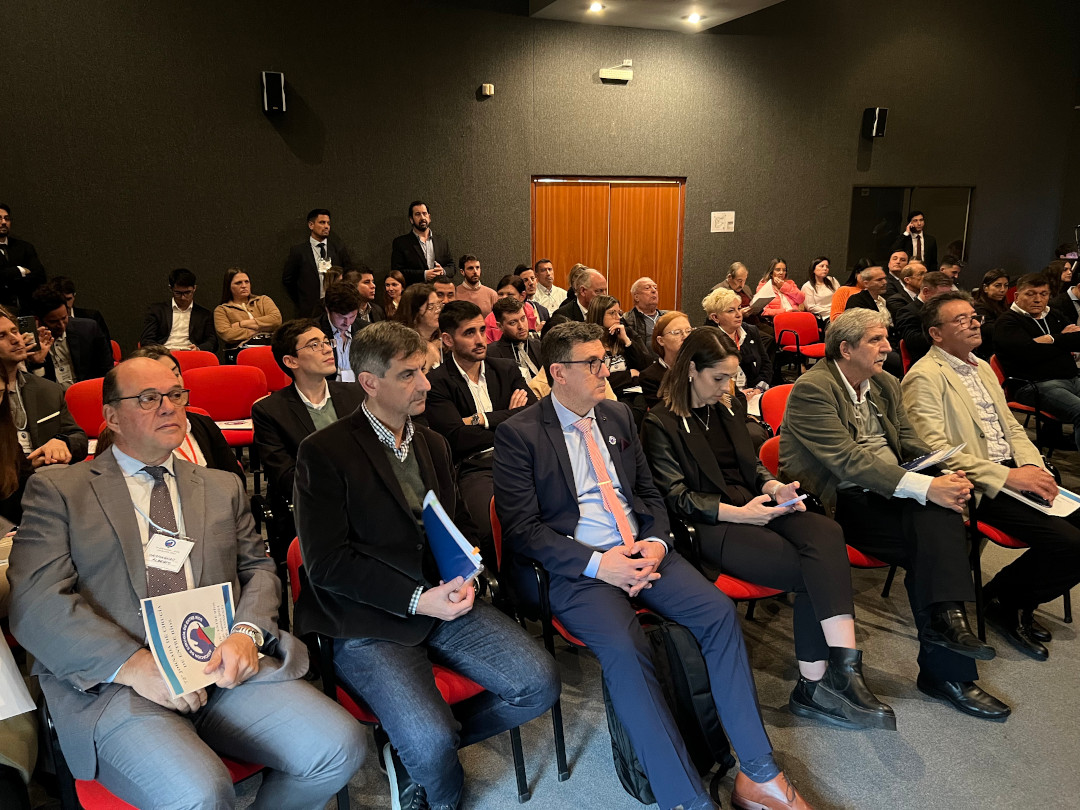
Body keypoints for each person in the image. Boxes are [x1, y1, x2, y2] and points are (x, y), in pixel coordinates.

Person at [8, 357, 365, 808]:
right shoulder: (60, 490)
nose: (168, 407)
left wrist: (246, 633)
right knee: (201, 793)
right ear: (111, 417)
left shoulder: (222, 486)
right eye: (148, 398)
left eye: (175, 395)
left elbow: (258, 569)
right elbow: (34, 601)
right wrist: (133, 665)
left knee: (340, 747)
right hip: (116, 682)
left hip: (218, 664)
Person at [493, 321, 815, 810]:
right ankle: (684, 798)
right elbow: (523, 530)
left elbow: (648, 494)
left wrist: (658, 544)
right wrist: (600, 565)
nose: (606, 370)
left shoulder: (618, 415)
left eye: (605, 360)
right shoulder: (519, 434)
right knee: (627, 648)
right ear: (558, 372)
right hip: (580, 571)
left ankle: (758, 773)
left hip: (643, 551)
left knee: (719, 615)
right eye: (593, 363)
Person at [292, 321, 559, 810]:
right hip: (369, 616)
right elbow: (327, 565)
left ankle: (412, 753)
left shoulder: (433, 443)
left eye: (425, 370)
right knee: (432, 744)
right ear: (370, 382)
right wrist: (417, 599)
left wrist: (469, 573)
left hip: (443, 597)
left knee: (540, 685)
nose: (426, 385)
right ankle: (431, 769)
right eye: (409, 374)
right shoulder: (324, 452)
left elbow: (459, 526)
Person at [641, 328, 894, 731]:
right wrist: (740, 514)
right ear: (691, 370)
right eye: (718, 378)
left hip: (753, 503)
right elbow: (675, 496)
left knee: (827, 534)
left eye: (731, 377)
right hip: (712, 521)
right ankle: (816, 684)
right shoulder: (660, 421)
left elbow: (752, 465)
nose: (726, 387)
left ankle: (844, 669)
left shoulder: (728, 406)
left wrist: (775, 487)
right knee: (811, 569)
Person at [779, 309, 1008, 720]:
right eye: (876, 340)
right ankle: (947, 668)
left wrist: (942, 471)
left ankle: (947, 628)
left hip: (889, 493)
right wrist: (926, 487)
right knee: (935, 537)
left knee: (938, 522)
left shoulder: (884, 383)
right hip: (837, 503)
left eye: (885, 338)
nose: (888, 347)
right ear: (845, 349)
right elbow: (847, 462)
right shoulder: (812, 388)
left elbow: (907, 439)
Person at [903, 292, 1080, 660]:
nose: (974, 323)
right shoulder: (924, 376)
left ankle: (1007, 597)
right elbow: (937, 451)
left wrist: (1032, 467)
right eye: (961, 320)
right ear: (936, 333)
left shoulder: (982, 366)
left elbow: (1012, 427)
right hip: (979, 484)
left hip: (1014, 473)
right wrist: (1008, 477)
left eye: (974, 317)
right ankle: (1006, 600)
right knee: (1070, 543)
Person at [426, 301, 536, 569]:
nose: (480, 340)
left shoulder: (506, 369)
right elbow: (457, 438)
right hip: (475, 466)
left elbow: (534, 416)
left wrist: (483, 419)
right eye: (469, 333)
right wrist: (511, 417)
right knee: (488, 526)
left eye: (481, 330)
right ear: (448, 340)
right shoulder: (437, 382)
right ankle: (498, 583)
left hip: (521, 457)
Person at [253, 319, 364, 556]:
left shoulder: (354, 395)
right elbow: (286, 476)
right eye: (314, 345)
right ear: (291, 361)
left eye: (326, 342)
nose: (327, 349)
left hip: (363, 502)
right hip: (310, 509)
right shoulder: (270, 410)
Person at [95, 345, 242, 481]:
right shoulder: (115, 438)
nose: (168, 407)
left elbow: (233, 479)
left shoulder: (202, 424)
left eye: (175, 374)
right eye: (150, 398)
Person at [994, 273, 1080, 451]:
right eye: (1030, 294)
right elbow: (1028, 353)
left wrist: (1049, 339)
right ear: (1017, 296)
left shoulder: (1053, 314)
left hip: (1072, 379)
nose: (1038, 299)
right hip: (1033, 385)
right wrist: (1063, 340)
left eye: (1043, 294)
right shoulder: (1007, 321)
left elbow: (1078, 339)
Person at [0, 310, 87, 468]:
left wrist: (62, 442)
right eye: (1, 336)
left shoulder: (48, 389)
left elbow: (79, 438)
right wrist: (28, 466)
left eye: (15, 331)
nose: (15, 340)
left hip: (48, 474)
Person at [28, 284, 112, 387]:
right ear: (38, 320)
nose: (61, 325)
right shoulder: (31, 342)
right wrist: (37, 363)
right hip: (52, 394)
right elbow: (34, 385)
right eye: (53, 321)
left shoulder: (88, 329)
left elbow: (107, 369)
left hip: (86, 390)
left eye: (64, 318)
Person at [702, 288, 771, 411]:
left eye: (739, 308)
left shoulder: (751, 331)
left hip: (754, 396)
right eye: (731, 311)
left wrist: (759, 389)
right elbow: (708, 380)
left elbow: (766, 364)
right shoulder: (708, 339)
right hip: (723, 402)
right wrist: (738, 396)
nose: (739, 314)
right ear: (715, 317)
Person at [282, 208, 352, 317]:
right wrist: (302, 298)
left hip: (335, 308)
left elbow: (348, 274)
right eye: (322, 222)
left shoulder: (338, 249)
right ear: (311, 225)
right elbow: (288, 279)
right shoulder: (299, 251)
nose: (326, 226)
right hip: (309, 309)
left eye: (328, 223)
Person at [586, 295, 649, 400]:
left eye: (619, 313)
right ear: (599, 315)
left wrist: (627, 341)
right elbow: (594, 380)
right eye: (612, 313)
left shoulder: (625, 333)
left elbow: (645, 367)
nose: (618, 317)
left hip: (633, 392)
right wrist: (628, 374)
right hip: (606, 397)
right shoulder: (588, 342)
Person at [140, 268, 217, 353]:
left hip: (191, 354)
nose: (183, 297)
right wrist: (164, 351)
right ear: (171, 288)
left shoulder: (204, 314)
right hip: (163, 353)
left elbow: (212, 342)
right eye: (178, 293)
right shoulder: (157, 311)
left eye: (187, 293)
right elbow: (146, 340)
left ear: (194, 288)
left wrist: (198, 349)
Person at [845, 266, 902, 377]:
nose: (885, 282)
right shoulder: (856, 300)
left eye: (884, 278)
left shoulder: (883, 301)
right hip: (871, 345)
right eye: (879, 280)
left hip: (890, 342)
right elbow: (859, 330)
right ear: (866, 283)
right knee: (899, 364)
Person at [892, 271, 956, 365]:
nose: (947, 299)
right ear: (926, 291)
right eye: (942, 295)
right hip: (925, 361)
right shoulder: (908, 311)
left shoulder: (946, 309)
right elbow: (912, 340)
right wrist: (945, 333)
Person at [212, 268, 282, 353]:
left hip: (271, 346)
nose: (244, 286)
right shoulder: (222, 310)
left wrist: (241, 324)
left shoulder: (263, 300)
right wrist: (260, 329)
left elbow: (276, 319)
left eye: (247, 282)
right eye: (238, 283)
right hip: (243, 350)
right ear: (229, 286)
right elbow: (227, 334)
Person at [390, 201, 457, 286]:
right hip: (415, 291)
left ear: (429, 217)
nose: (422, 218)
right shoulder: (401, 243)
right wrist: (424, 275)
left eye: (424, 213)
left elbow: (452, 266)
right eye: (417, 214)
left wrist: (443, 271)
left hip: (439, 290)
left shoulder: (442, 241)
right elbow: (397, 272)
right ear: (411, 219)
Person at [0, 203, 46, 315]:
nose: (4, 222)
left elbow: (40, 276)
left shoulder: (24, 247)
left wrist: (7, 279)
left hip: (26, 310)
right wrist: (19, 271)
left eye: (7, 218)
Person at [639, 310, 691, 407]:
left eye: (688, 331)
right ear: (661, 341)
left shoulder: (700, 367)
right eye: (677, 332)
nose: (685, 336)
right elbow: (664, 411)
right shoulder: (649, 377)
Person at [486, 297, 542, 382]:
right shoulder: (491, 354)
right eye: (513, 323)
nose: (521, 326)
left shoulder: (538, 345)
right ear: (500, 326)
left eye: (523, 319)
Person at [317, 281, 362, 383]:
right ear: (327, 310)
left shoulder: (365, 329)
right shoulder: (315, 331)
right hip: (327, 387)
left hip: (359, 387)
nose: (347, 323)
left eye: (352, 316)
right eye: (341, 317)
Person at [396, 283, 443, 372]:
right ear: (414, 313)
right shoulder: (403, 348)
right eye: (431, 307)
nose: (438, 311)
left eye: (439, 305)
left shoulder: (444, 342)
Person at [51, 275, 111, 344]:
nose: (65, 304)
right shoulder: (46, 323)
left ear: (74, 296)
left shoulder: (91, 317)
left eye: (68, 299)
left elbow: (106, 347)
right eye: (61, 300)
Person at [971, 269, 1010, 359]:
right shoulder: (979, 308)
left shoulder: (1003, 306)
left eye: (1006, 285)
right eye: (998, 285)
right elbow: (992, 331)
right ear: (985, 288)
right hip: (988, 355)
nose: (1003, 290)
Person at [622, 276, 666, 350]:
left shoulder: (668, 317)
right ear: (636, 297)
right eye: (647, 288)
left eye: (655, 288)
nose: (654, 291)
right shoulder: (626, 320)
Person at [756, 258, 805, 323]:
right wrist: (785, 311)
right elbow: (765, 311)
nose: (781, 273)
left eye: (784, 270)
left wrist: (784, 286)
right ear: (771, 272)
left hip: (795, 316)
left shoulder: (790, 283)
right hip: (779, 319)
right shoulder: (763, 286)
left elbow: (801, 299)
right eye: (778, 270)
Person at [800, 256, 840, 323]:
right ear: (813, 269)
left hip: (837, 313)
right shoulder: (807, 286)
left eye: (827, 266)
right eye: (822, 266)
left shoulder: (832, 280)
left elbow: (840, 296)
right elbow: (811, 307)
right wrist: (830, 312)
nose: (825, 268)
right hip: (822, 317)